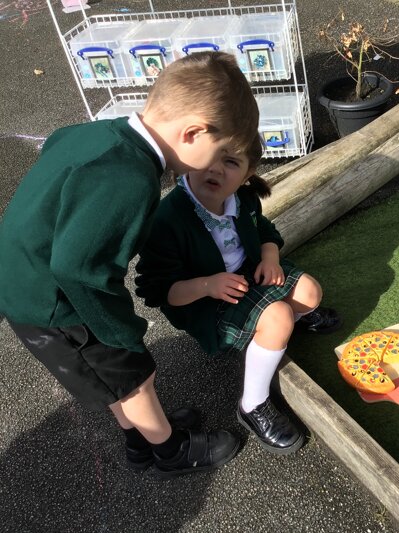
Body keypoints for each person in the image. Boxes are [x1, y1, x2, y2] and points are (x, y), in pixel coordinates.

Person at [0, 51, 259, 478]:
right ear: (193, 132)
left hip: (26, 275)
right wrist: (122, 331)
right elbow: (77, 268)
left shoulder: (96, 133)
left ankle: (141, 440)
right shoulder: (129, 179)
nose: (217, 165)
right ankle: (171, 451)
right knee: (136, 376)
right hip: (54, 301)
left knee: (119, 379)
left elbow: (58, 145)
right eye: (219, 151)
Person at [135, 134, 342, 455]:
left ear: (248, 174)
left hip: (248, 275)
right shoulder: (166, 218)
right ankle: (253, 403)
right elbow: (158, 291)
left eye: (230, 162)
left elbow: (266, 232)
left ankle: (276, 331)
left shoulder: (243, 198)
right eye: (209, 156)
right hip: (206, 302)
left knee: (310, 293)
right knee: (279, 316)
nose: (215, 169)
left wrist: (270, 258)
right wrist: (208, 285)